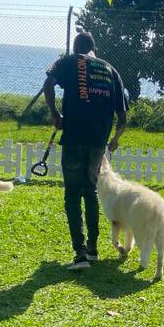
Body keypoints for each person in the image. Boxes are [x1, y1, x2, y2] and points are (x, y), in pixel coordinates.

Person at [43, 32, 128, 271]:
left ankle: (79, 253)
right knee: (90, 190)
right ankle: (92, 249)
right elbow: (122, 117)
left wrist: (54, 113)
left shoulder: (68, 61)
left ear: (75, 47)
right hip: (97, 142)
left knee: (72, 192)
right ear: (94, 48)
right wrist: (115, 138)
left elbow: (48, 83)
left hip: (73, 137)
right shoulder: (111, 70)